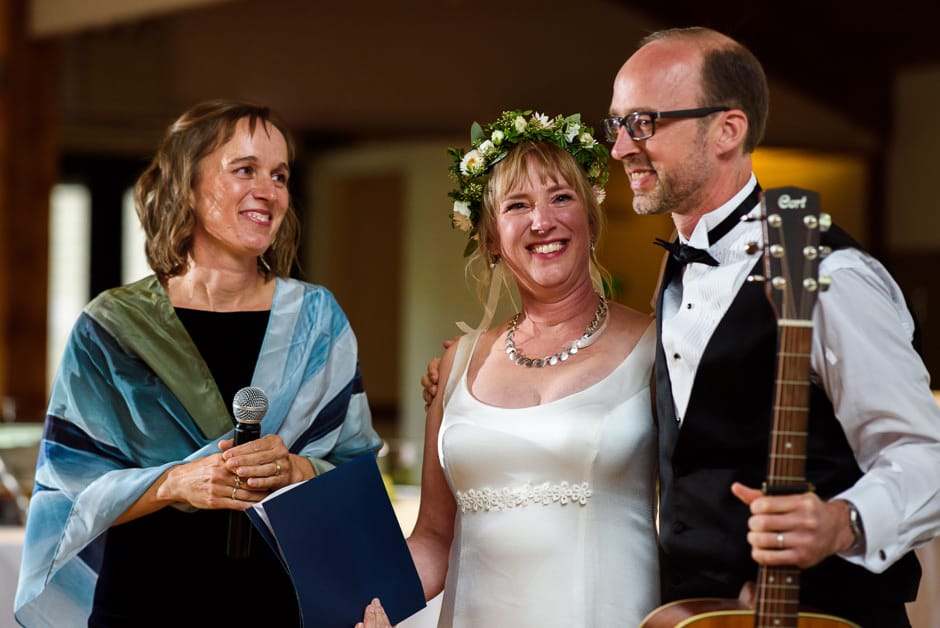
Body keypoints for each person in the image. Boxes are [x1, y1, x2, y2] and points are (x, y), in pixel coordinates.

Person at [425, 27, 940, 628]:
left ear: (728, 129)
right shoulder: (670, 285)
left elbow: (924, 456)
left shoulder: (833, 274)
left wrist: (843, 521)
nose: (619, 149)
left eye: (642, 122)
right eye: (615, 124)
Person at [14, 99, 384, 627]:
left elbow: (358, 475)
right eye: (245, 169)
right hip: (143, 602)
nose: (269, 190)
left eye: (279, 175)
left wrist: (296, 469)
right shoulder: (113, 327)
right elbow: (67, 491)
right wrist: (175, 483)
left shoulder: (317, 321)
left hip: (276, 604)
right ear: (186, 185)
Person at [392, 110, 660, 627]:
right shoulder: (457, 362)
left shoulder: (655, 345)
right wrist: (355, 601)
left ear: (591, 218)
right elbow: (432, 540)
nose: (542, 221)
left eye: (561, 197)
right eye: (517, 205)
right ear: (491, 238)